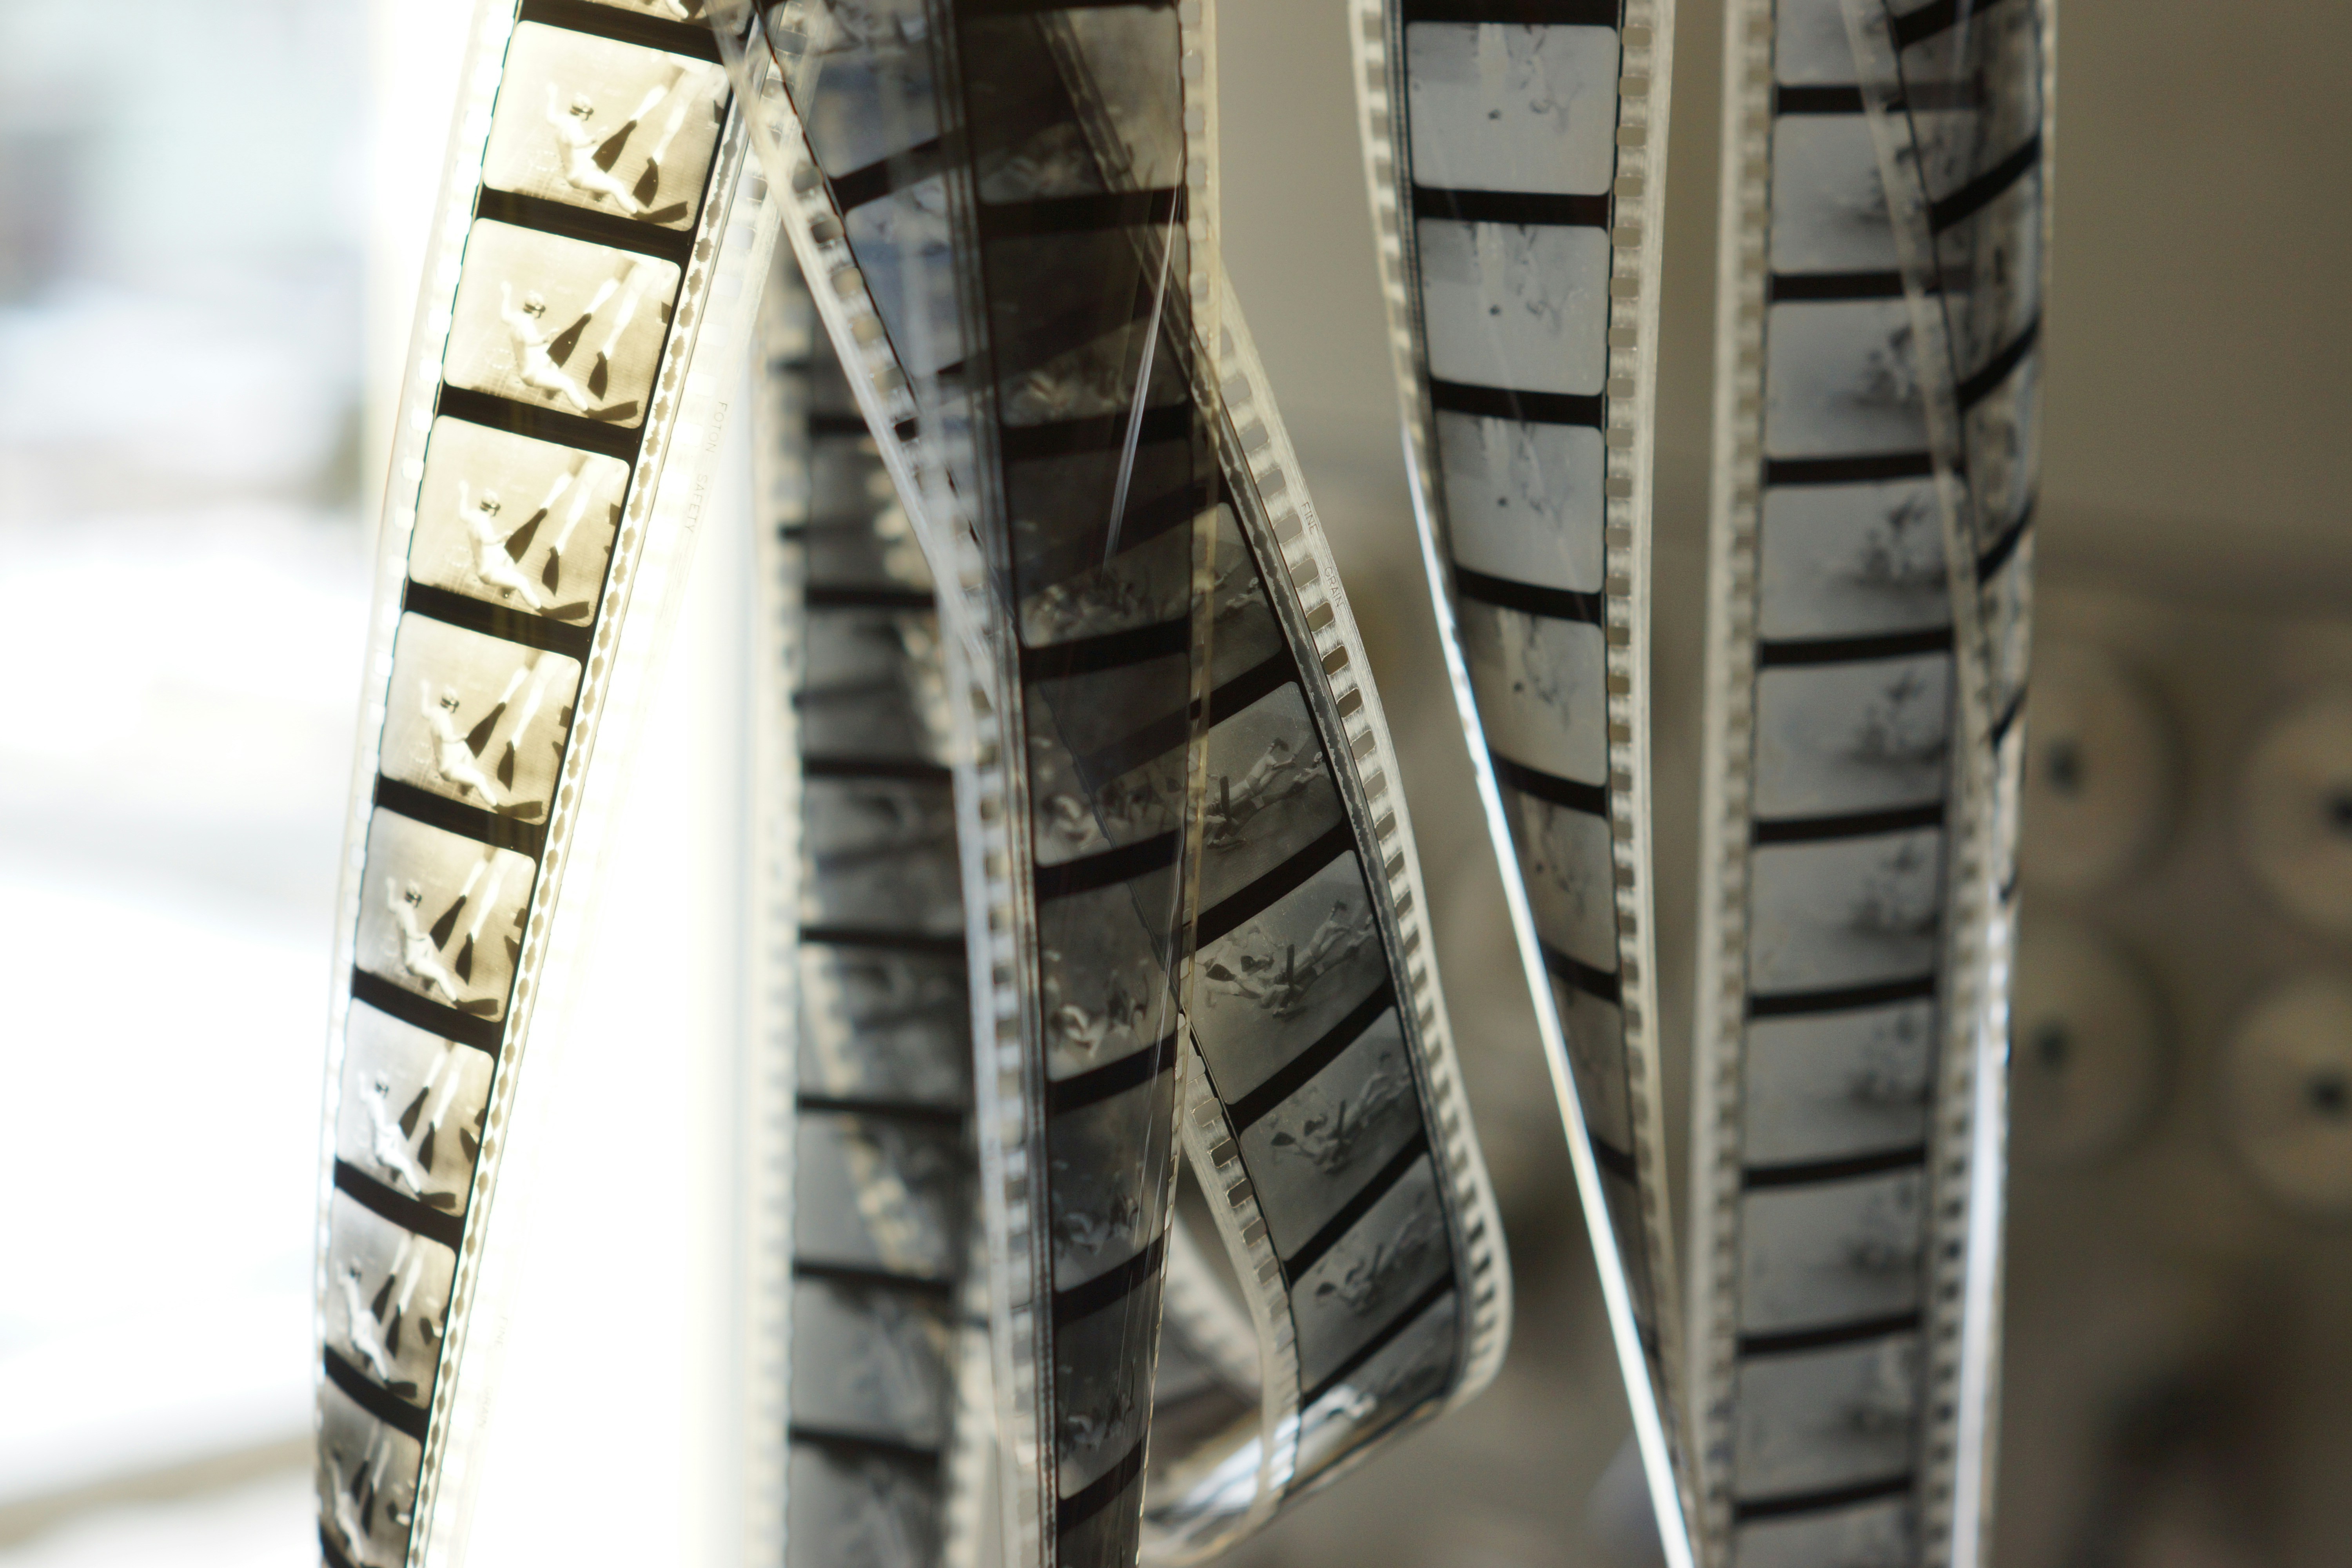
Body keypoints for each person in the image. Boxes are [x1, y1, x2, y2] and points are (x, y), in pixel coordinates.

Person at [544, 87, 650, 215]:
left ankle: (599, 189)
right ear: (584, 113)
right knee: (617, 187)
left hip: (578, 167)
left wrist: (552, 97)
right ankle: (640, 216)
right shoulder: (574, 128)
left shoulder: (563, 120)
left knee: (600, 152)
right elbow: (577, 143)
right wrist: (594, 138)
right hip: (579, 176)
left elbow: (549, 117)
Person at [499, 281, 597, 414]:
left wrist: (507, 295)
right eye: (541, 311)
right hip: (531, 373)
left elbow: (504, 315)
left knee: (553, 349)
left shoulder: (517, 317)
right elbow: (531, 341)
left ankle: (552, 384)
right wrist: (545, 338)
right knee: (568, 384)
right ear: (536, 311)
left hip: (531, 363)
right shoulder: (527, 326)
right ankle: (591, 413)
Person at [455, 482, 546, 610]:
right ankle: (543, 610)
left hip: (488, 561)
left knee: (509, 554)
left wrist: (464, 494)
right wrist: (502, 537)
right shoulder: (484, 523)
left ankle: (508, 584)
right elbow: (487, 540)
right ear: (492, 509)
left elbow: (462, 514)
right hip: (488, 572)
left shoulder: (474, 515)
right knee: (522, 582)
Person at [421, 682, 502, 807]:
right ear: (451, 706)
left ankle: (465, 783)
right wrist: (461, 737)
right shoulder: (445, 721)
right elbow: (447, 738)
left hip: (447, 758)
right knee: (480, 779)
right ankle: (499, 807)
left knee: (466, 747)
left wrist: (425, 692)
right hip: (448, 769)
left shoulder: (435, 712)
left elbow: (424, 711)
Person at [388, 880, 466, 1004]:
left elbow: (390, 905)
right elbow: (411, 934)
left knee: (429, 940)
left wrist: (391, 888)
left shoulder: (400, 906)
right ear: (415, 900)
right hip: (413, 962)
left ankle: (428, 979)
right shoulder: (409, 915)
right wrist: (422, 936)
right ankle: (457, 1002)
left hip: (411, 954)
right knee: (441, 974)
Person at [361, 1072, 434, 1195]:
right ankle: (420, 1194)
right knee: (406, 1165)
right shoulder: (379, 1105)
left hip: (379, 1147)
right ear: (384, 1090)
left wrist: (362, 1081)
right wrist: (392, 1130)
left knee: (396, 1130)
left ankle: (395, 1170)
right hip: (383, 1152)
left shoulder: (371, 1097)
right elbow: (381, 1128)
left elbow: (362, 1095)